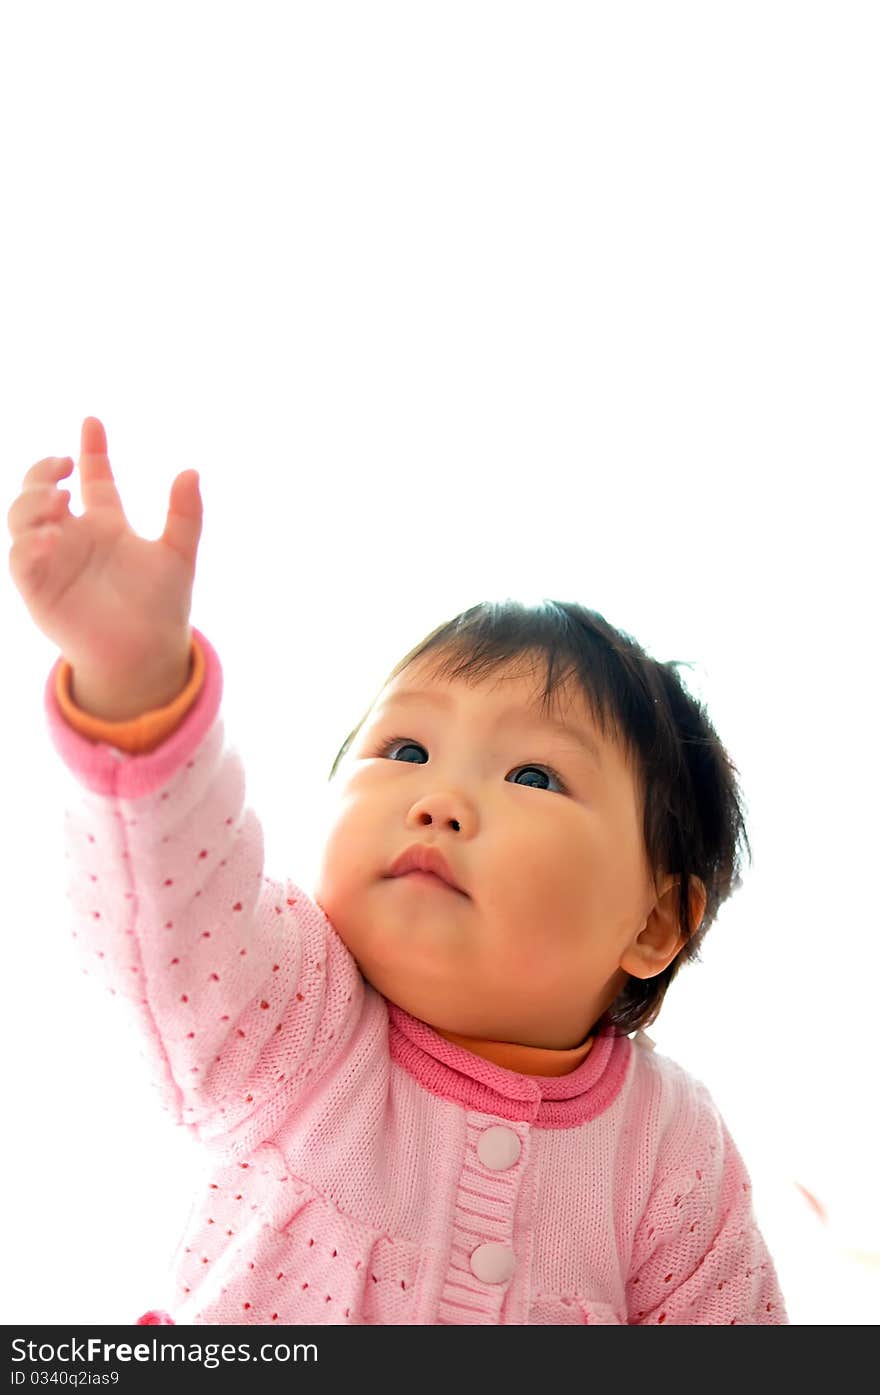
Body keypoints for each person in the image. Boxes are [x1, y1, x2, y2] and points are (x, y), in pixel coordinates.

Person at [6, 417, 788, 1325]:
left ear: (654, 923)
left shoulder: (671, 1148)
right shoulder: (297, 1014)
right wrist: (136, 685)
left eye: (533, 774)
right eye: (405, 747)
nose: (440, 800)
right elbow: (175, 918)